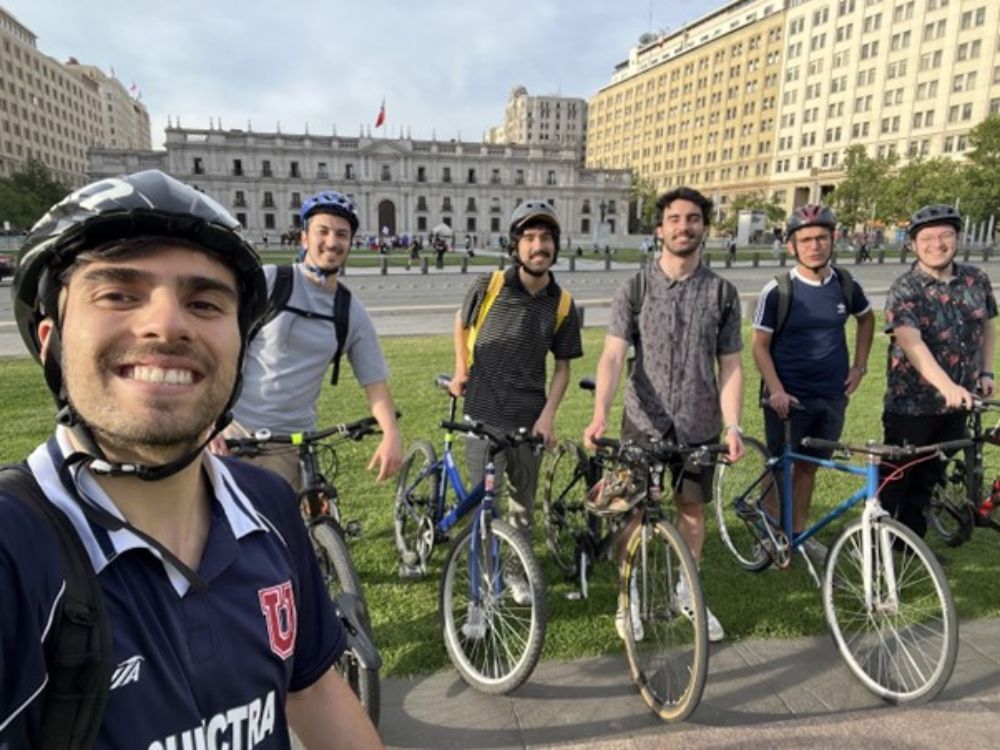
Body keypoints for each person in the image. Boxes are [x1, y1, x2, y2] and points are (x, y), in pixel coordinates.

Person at [0, 170, 382, 748]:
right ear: (51, 339)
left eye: (204, 302)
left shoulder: (269, 508)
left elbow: (312, 689)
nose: (166, 324)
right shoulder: (16, 551)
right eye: (119, 294)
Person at [584, 186, 744, 643]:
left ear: (704, 228)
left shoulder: (723, 293)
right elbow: (613, 357)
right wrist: (600, 415)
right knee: (632, 512)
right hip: (643, 420)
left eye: (693, 219)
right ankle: (628, 597)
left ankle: (686, 592)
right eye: (674, 218)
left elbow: (730, 364)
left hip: (699, 421)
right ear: (659, 229)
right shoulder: (633, 289)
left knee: (691, 510)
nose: (684, 227)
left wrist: (733, 425)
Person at [219, 190, 402, 491]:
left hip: (296, 441)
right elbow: (214, 349)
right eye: (323, 231)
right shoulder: (270, 282)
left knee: (294, 528)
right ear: (304, 238)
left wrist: (391, 433)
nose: (332, 241)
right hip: (236, 434)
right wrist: (210, 427)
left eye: (342, 234)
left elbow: (375, 384)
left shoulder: (350, 309)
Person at [751, 204, 874, 567]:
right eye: (805, 239)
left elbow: (866, 320)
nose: (815, 245)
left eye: (822, 237)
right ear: (792, 246)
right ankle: (771, 536)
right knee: (779, 468)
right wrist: (775, 390)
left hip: (832, 395)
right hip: (788, 396)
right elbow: (759, 345)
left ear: (833, 239)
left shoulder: (846, 284)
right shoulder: (779, 290)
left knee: (808, 468)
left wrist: (860, 366)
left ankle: (799, 535)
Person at [449, 200, 583, 534]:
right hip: (482, 414)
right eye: (530, 238)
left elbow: (563, 368)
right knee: (483, 508)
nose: (539, 246)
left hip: (529, 421)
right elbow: (460, 321)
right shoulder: (488, 286)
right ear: (515, 245)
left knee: (523, 508)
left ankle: (517, 576)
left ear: (555, 244)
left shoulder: (563, 303)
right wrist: (461, 368)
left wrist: (548, 416)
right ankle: (485, 575)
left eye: (546, 238)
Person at [881, 204, 997, 538]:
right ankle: (879, 545)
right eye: (927, 237)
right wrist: (946, 386)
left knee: (930, 476)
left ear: (957, 238)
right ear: (913, 244)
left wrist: (986, 373)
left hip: (960, 403)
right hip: (912, 406)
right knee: (897, 478)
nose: (937, 243)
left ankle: (911, 544)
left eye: (945, 235)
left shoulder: (976, 279)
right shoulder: (905, 289)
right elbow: (910, 342)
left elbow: (988, 326)